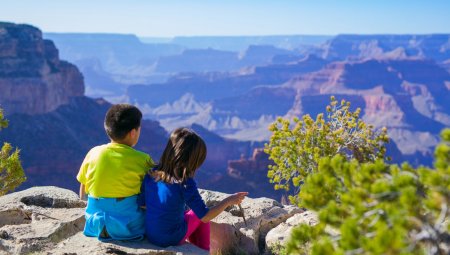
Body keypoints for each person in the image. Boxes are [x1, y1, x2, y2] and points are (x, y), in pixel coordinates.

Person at [139, 127, 248, 251]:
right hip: (171, 238)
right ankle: (203, 251)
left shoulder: (151, 173)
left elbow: (143, 205)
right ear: (192, 159)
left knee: (187, 213)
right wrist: (229, 200)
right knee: (198, 214)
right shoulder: (185, 182)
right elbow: (205, 216)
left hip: (151, 235)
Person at [76, 104, 154, 240]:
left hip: (94, 225)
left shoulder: (93, 152)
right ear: (133, 132)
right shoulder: (143, 159)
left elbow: (83, 189)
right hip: (128, 227)